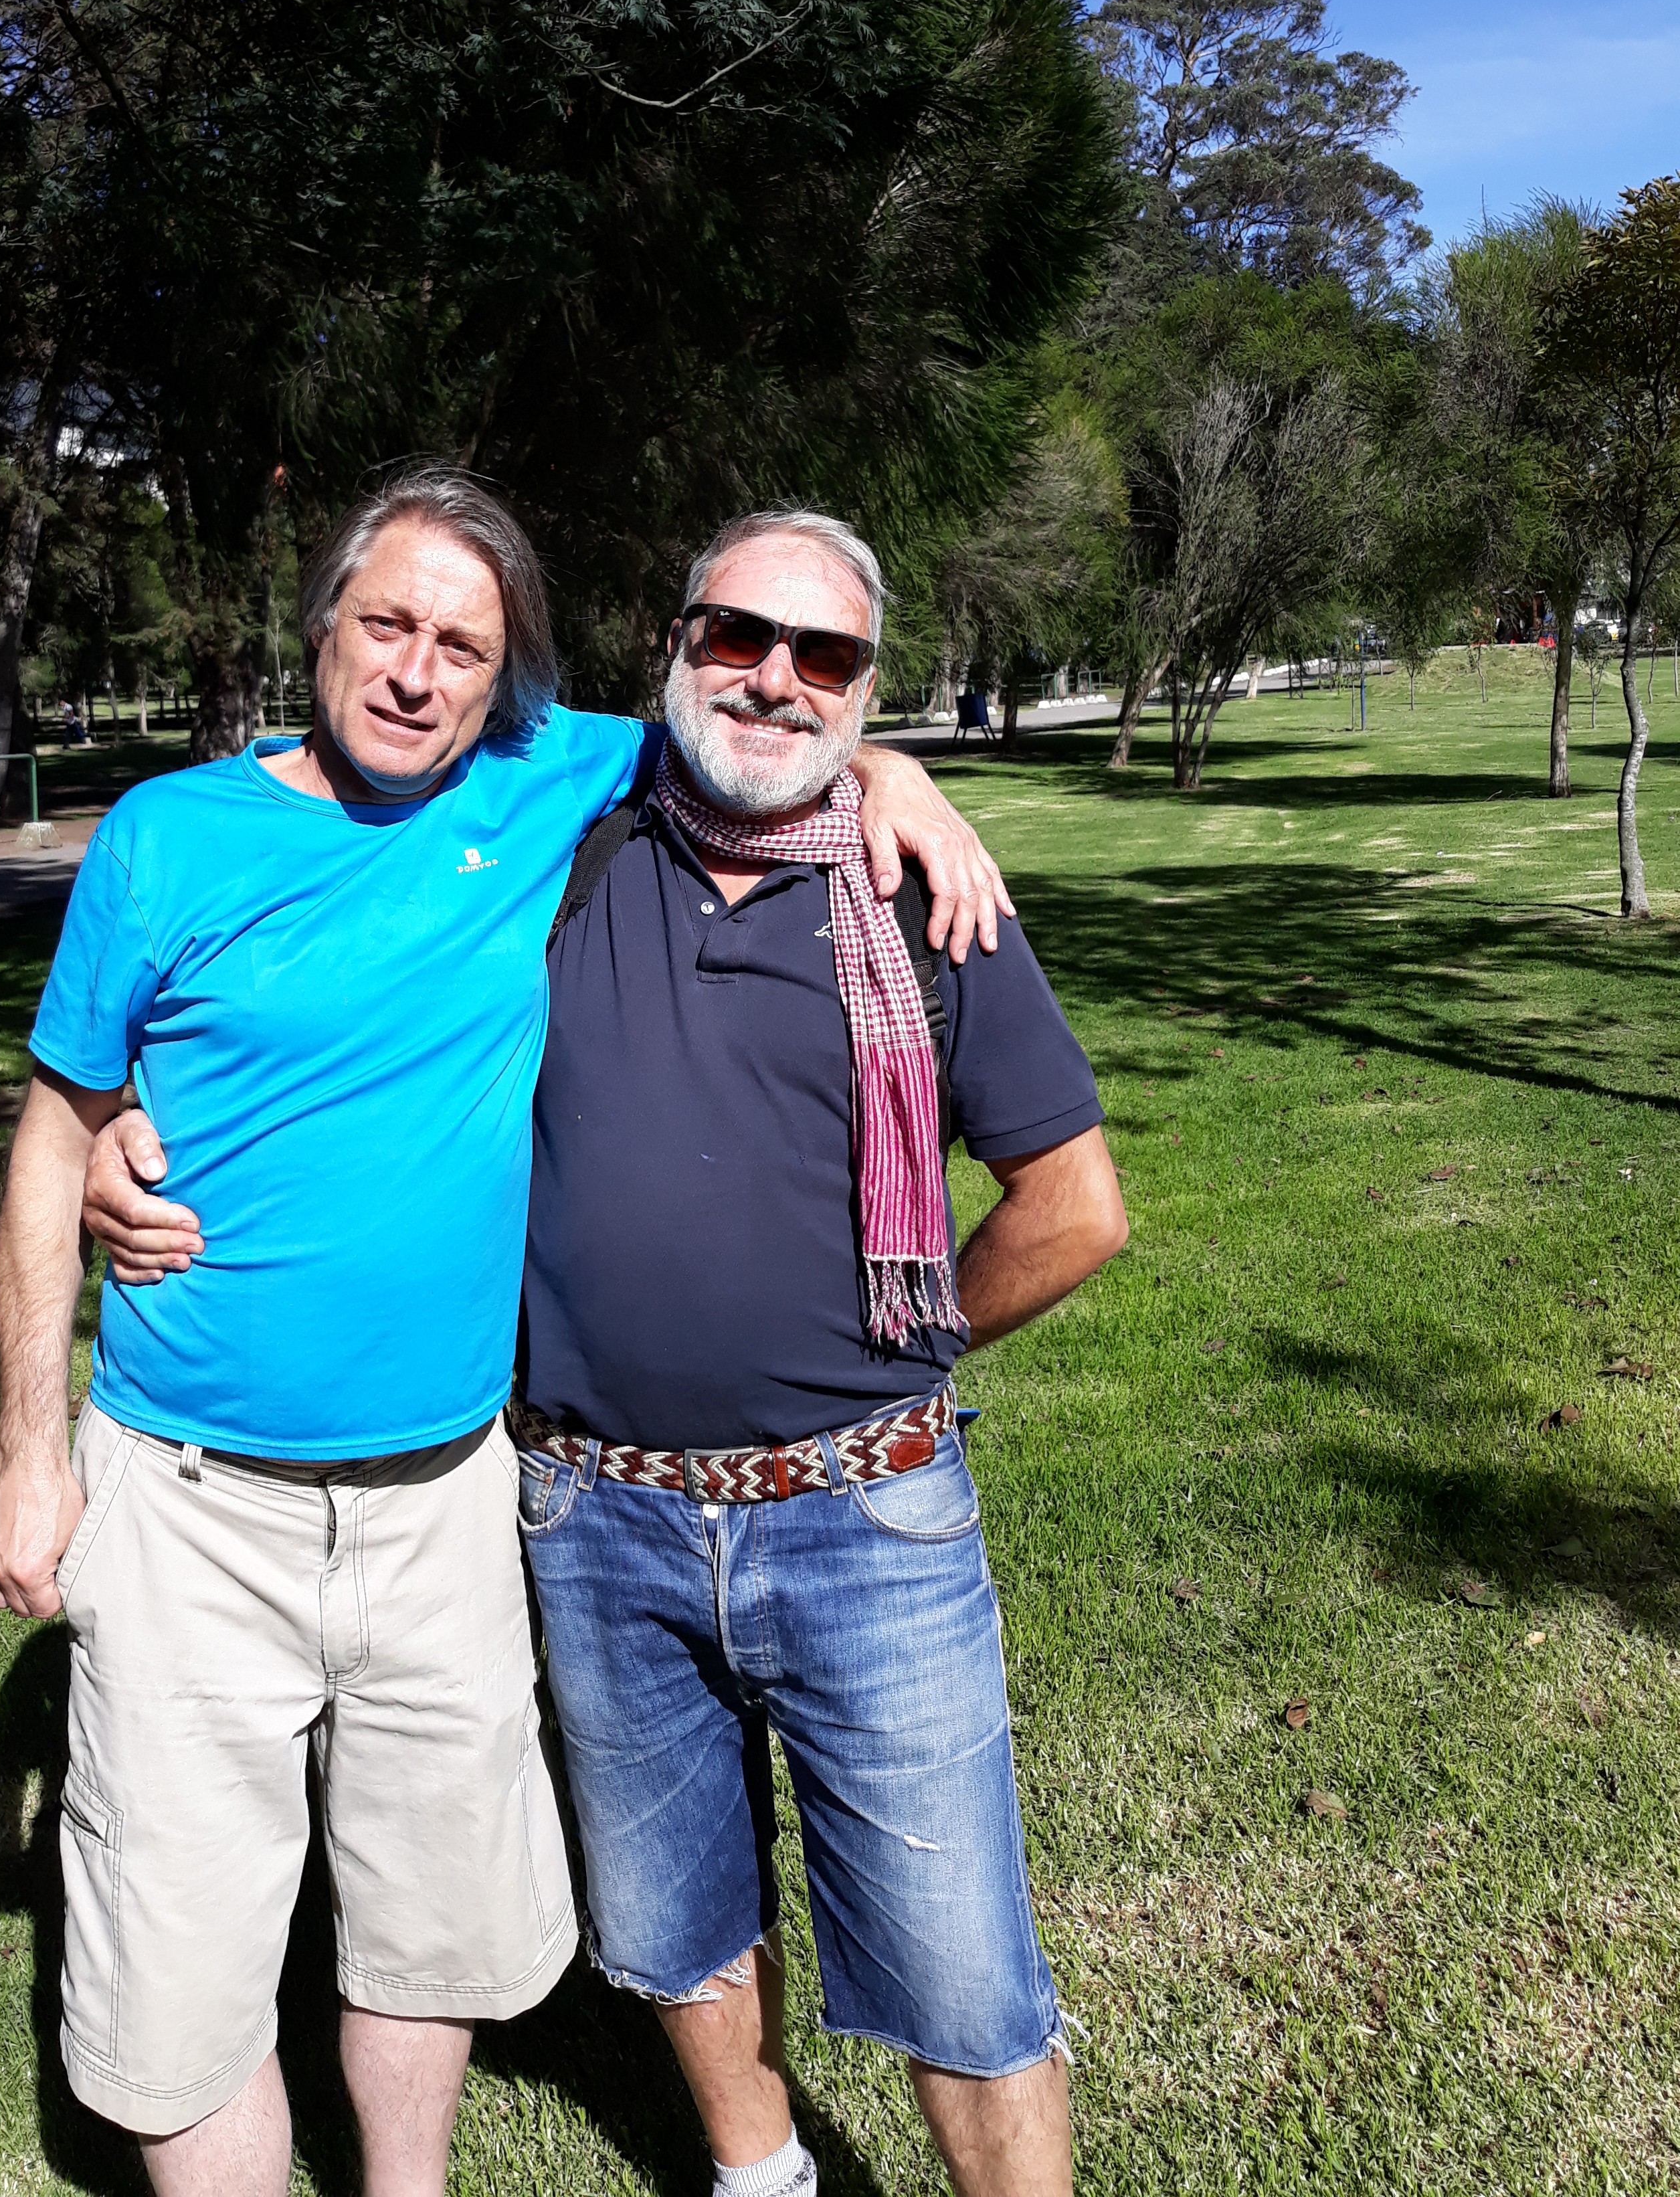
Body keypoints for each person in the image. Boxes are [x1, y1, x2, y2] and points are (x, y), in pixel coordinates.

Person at [0, 464, 1011, 2197]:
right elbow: (45, 1134)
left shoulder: (540, 780)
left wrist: (893, 773)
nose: (417, 673)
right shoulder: (166, 836)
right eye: (388, 624)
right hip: (189, 1497)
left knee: (425, 1928)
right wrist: (29, 1452)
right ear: (325, 626)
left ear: (505, 675)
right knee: (177, 1973)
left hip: (452, 1497)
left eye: (462, 646)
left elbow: (756, 721)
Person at [508, 510, 1126, 2197]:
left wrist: (896, 1345)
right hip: (595, 1518)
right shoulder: (565, 848)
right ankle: (762, 2174)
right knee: (672, 1916)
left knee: (961, 1966)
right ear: (675, 644)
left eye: (825, 655)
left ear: (865, 688)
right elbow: (388, 746)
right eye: (737, 635)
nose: (774, 679)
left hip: (868, 1518)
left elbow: (1076, 1209)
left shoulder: (926, 902)